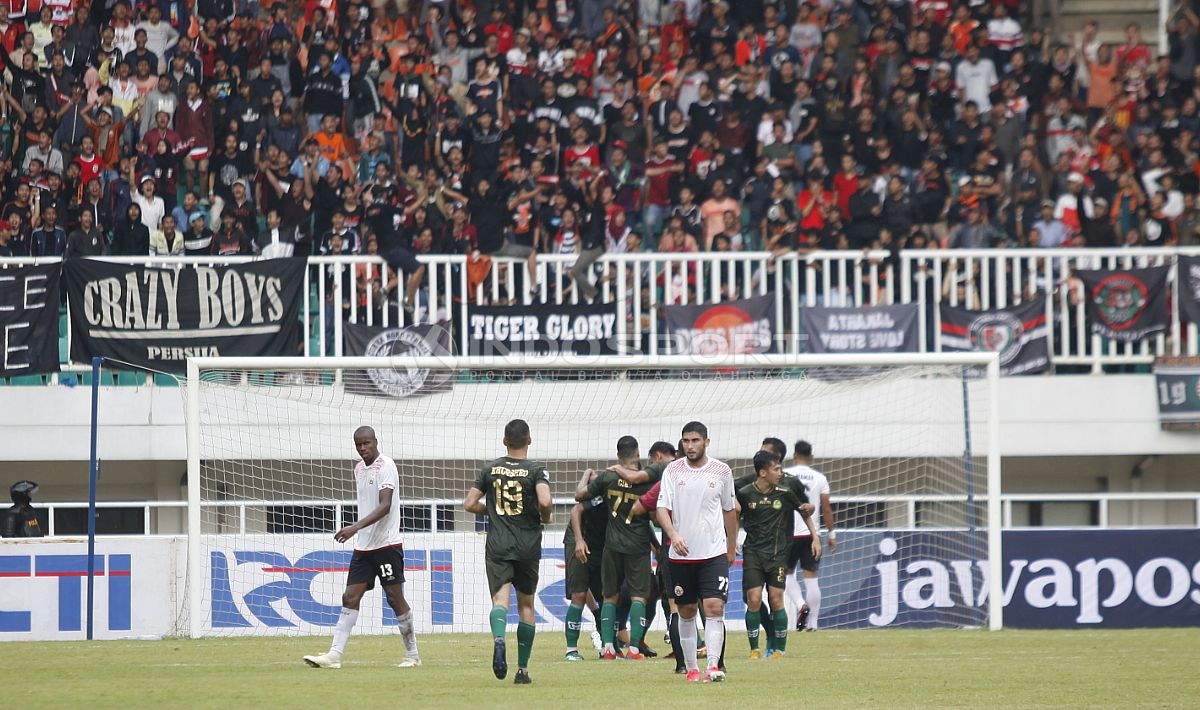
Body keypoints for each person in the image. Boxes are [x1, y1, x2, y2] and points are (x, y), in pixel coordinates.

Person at [303, 426, 421, 669]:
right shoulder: (358, 468)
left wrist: (354, 527)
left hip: (387, 544)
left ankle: (413, 655)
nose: (363, 448)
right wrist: (359, 532)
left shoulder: (386, 465)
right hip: (365, 547)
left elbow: (385, 505)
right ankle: (334, 656)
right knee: (350, 596)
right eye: (358, 444)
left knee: (394, 598)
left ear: (375, 442)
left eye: (366, 443)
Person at [462, 419, 552, 685]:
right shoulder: (536, 470)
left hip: (498, 544)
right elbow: (545, 500)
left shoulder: (490, 468)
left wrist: (491, 509)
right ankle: (522, 670)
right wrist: (544, 516)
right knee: (526, 606)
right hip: (527, 545)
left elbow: (469, 504)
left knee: (500, 602)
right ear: (529, 440)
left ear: (504, 441)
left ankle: (499, 639)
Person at [655, 421, 736, 683]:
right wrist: (673, 535)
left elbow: (729, 510)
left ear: (706, 442)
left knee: (714, 606)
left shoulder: (722, 471)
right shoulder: (672, 470)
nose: (690, 445)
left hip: (713, 553)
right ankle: (692, 668)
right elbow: (661, 509)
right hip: (680, 556)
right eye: (686, 441)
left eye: (695, 440)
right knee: (687, 611)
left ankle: (713, 666)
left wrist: (731, 546)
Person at [574, 436, 662, 661]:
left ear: (618, 455)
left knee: (610, 596)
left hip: (611, 546)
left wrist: (586, 475)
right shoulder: (648, 480)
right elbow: (654, 515)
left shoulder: (608, 477)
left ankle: (609, 649)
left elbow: (579, 495)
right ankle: (633, 649)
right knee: (639, 597)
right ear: (638, 453)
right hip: (638, 545)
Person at [737, 451, 819, 658]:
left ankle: (779, 650)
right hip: (753, 553)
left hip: (778, 554)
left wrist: (815, 536)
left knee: (776, 599)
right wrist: (733, 540)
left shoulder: (784, 492)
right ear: (763, 473)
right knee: (753, 599)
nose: (780, 473)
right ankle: (754, 649)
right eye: (776, 469)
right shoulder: (745, 493)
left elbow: (804, 510)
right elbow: (733, 514)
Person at [785, 440, 837, 631]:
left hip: (789, 532)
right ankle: (813, 624)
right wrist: (831, 535)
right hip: (811, 534)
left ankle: (800, 604)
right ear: (811, 457)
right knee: (811, 578)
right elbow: (826, 508)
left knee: (786, 575)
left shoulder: (786, 474)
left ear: (794, 456)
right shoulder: (820, 478)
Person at [562, 468, 607, 661]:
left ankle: (609, 647)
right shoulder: (593, 499)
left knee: (608, 593)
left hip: (600, 544)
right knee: (578, 593)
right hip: (578, 539)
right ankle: (571, 649)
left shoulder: (613, 497)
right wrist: (579, 540)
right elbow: (575, 508)